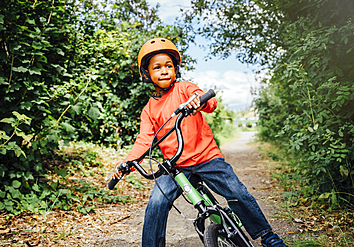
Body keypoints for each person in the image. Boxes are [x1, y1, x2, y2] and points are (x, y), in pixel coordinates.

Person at [112, 38, 287, 247]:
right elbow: (144, 140)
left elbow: (208, 101)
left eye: (168, 65)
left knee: (236, 191)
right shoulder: (149, 109)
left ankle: (268, 237)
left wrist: (198, 100)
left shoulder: (184, 88)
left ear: (176, 68)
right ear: (147, 74)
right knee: (157, 202)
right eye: (157, 67)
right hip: (175, 167)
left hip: (207, 158)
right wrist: (128, 164)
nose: (164, 71)